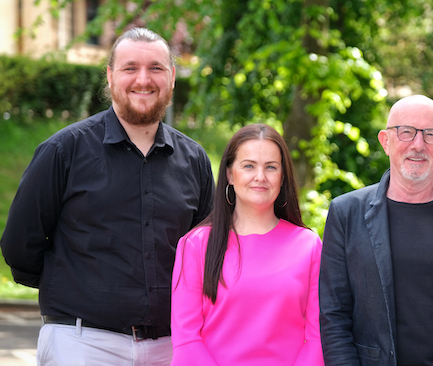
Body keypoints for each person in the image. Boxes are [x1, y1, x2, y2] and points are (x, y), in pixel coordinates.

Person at [0, 28, 215, 365]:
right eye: (130, 68)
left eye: (156, 68)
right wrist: (70, 284)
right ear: (111, 76)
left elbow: (204, 254)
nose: (143, 79)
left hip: (171, 347)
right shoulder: (63, 151)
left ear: (172, 77)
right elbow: (19, 243)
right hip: (82, 343)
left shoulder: (195, 160)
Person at [319, 94, 433, 366]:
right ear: (386, 141)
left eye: (430, 135)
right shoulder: (346, 214)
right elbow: (334, 316)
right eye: (406, 132)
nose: (418, 145)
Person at [170, 123, 324, 366]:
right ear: (230, 174)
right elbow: (186, 340)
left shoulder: (309, 246)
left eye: (271, 167)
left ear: (283, 177)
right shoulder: (196, 245)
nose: (260, 177)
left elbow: (317, 338)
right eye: (249, 166)